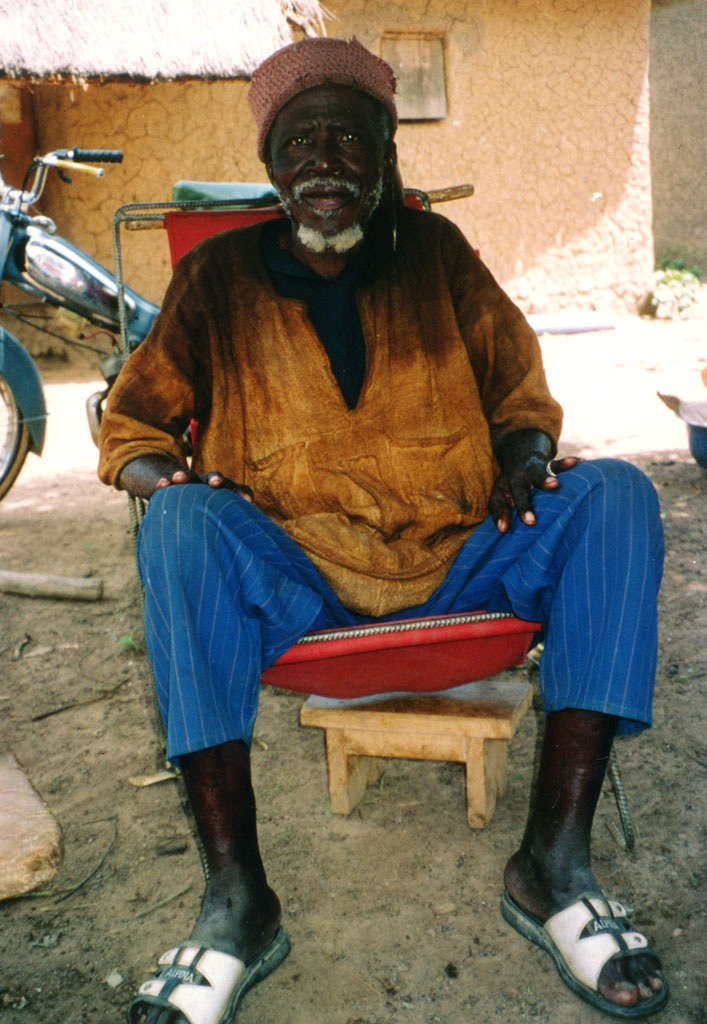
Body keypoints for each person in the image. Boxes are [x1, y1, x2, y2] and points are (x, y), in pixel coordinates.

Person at [98, 37, 668, 1024]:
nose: (324, 161)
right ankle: (239, 904)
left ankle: (552, 866)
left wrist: (526, 461)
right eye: (299, 141)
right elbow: (129, 428)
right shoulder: (218, 279)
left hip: (459, 554)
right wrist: (176, 478)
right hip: (294, 577)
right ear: (273, 163)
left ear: (384, 155)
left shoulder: (435, 253)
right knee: (181, 524)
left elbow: (521, 397)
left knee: (615, 496)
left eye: (347, 139)